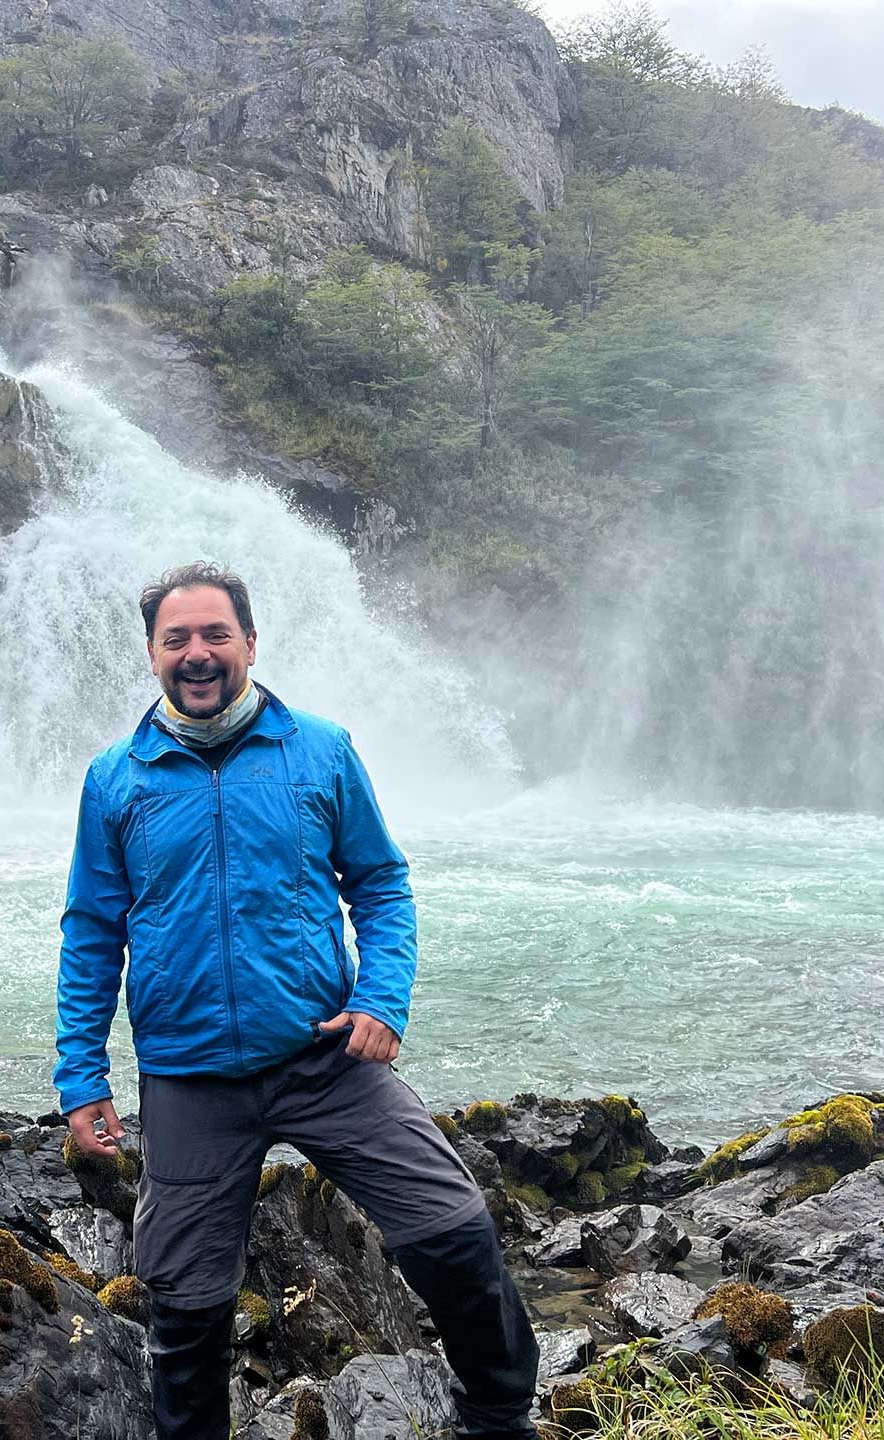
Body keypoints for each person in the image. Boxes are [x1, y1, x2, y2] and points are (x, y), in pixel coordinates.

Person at [54, 561, 541, 1439]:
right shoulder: (116, 779)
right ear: (152, 654)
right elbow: (93, 931)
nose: (197, 655)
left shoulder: (320, 749)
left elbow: (382, 886)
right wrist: (81, 1075)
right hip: (189, 1076)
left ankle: (501, 1419)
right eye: (177, 640)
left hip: (325, 1056)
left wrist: (382, 999)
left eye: (214, 636)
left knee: (454, 1226)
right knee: (187, 1301)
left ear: (249, 642)